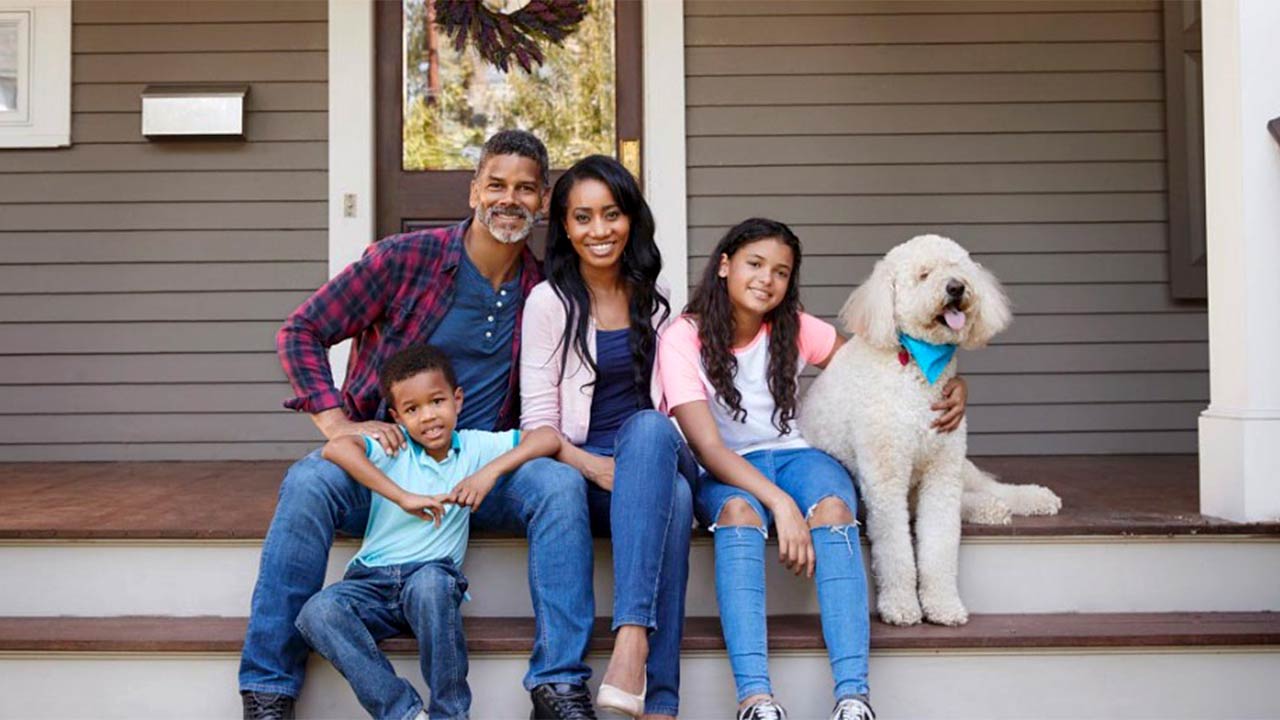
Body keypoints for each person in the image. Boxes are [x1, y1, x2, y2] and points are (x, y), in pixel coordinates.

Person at [241, 130, 599, 720]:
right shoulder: (404, 260)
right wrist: (337, 424)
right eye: (496, 184)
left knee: (559, 487)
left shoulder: (546, 292)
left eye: (526, 189)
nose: (509, 199)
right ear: (473, 190)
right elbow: (300, 331)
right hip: (389, 462)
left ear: (542, 204)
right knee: (309, 483)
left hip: (483, 467)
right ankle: (269, 687)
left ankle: (558, 683)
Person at [657, 218, 968, 720]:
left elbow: (874, 371)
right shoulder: (682, 337)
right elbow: (709, 447)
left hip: (800, 456)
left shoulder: (794, 326)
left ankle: (852, 697)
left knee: (835, 509)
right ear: (724, 266)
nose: (767, 279)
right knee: (739, 514)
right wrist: (780, 504)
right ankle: (755, 698)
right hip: (727, 469)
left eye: (781, 271)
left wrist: (955, 384)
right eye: (754, 264)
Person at [520, 155, 698, 719]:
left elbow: (680, 398)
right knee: (677, 499)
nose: (600, 231)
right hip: (590, 470)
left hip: (654, 451)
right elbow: (539, 425)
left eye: (612, 214)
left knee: (648, 427)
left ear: (632, 218)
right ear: (565, 228)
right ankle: (661, 702)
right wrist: (594, 468)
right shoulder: (548, 303)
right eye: (583, 218)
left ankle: (629, 640)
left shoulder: (659, 293)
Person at [297, 345, 561, 720]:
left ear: (457, 400)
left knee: (431, 586)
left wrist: (487, 474)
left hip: (430, 579)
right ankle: (403, 712)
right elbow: (337, 448)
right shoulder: (394, 448)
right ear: (396, 417)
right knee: (317, 612)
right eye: (412, 409)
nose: (428, 417)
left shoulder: (472, 446)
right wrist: (402, 496)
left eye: (437, 402)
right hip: (371, 582)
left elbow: (547, 437)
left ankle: (451, 713)